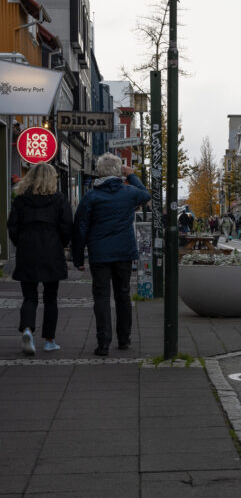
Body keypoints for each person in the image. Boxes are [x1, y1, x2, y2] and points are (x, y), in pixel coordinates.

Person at [72, 153, 152, 356]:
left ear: (99, 172)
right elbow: (146, 195)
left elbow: (80, 227)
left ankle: (103, 343)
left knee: (101, 297)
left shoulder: (91, 196)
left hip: (100, 254)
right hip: (124, 251)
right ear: (119, 172)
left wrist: (78, 257)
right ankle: (124, 339)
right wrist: (132, 175)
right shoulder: (129, 192)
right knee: (123, 295)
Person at [6, 163, 73, 355]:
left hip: (27, 249)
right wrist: (62, 242)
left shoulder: (21, 199)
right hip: (52, 250)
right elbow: (67, 225)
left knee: (29, 296)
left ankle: (27, 329)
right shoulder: (59, 199)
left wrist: (21, 242)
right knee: (51, 298)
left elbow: (12, 226)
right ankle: (49, 340)